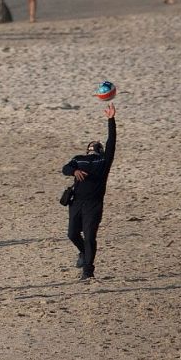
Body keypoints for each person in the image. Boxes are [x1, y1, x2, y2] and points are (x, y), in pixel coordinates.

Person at [62, 103, 116, 281]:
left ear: (99, 149)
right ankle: (84, 254)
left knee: (90, 236)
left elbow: (111, 142)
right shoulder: (79, 159)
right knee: (72, 234)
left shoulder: (103, 162)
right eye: (91, 144)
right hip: (76, 202)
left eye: (96, 144)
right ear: (87, 148)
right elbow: (65, 168)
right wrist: (74, 171)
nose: (94, 144)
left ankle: (88, 271)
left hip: (94, 204)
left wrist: (111, 120)